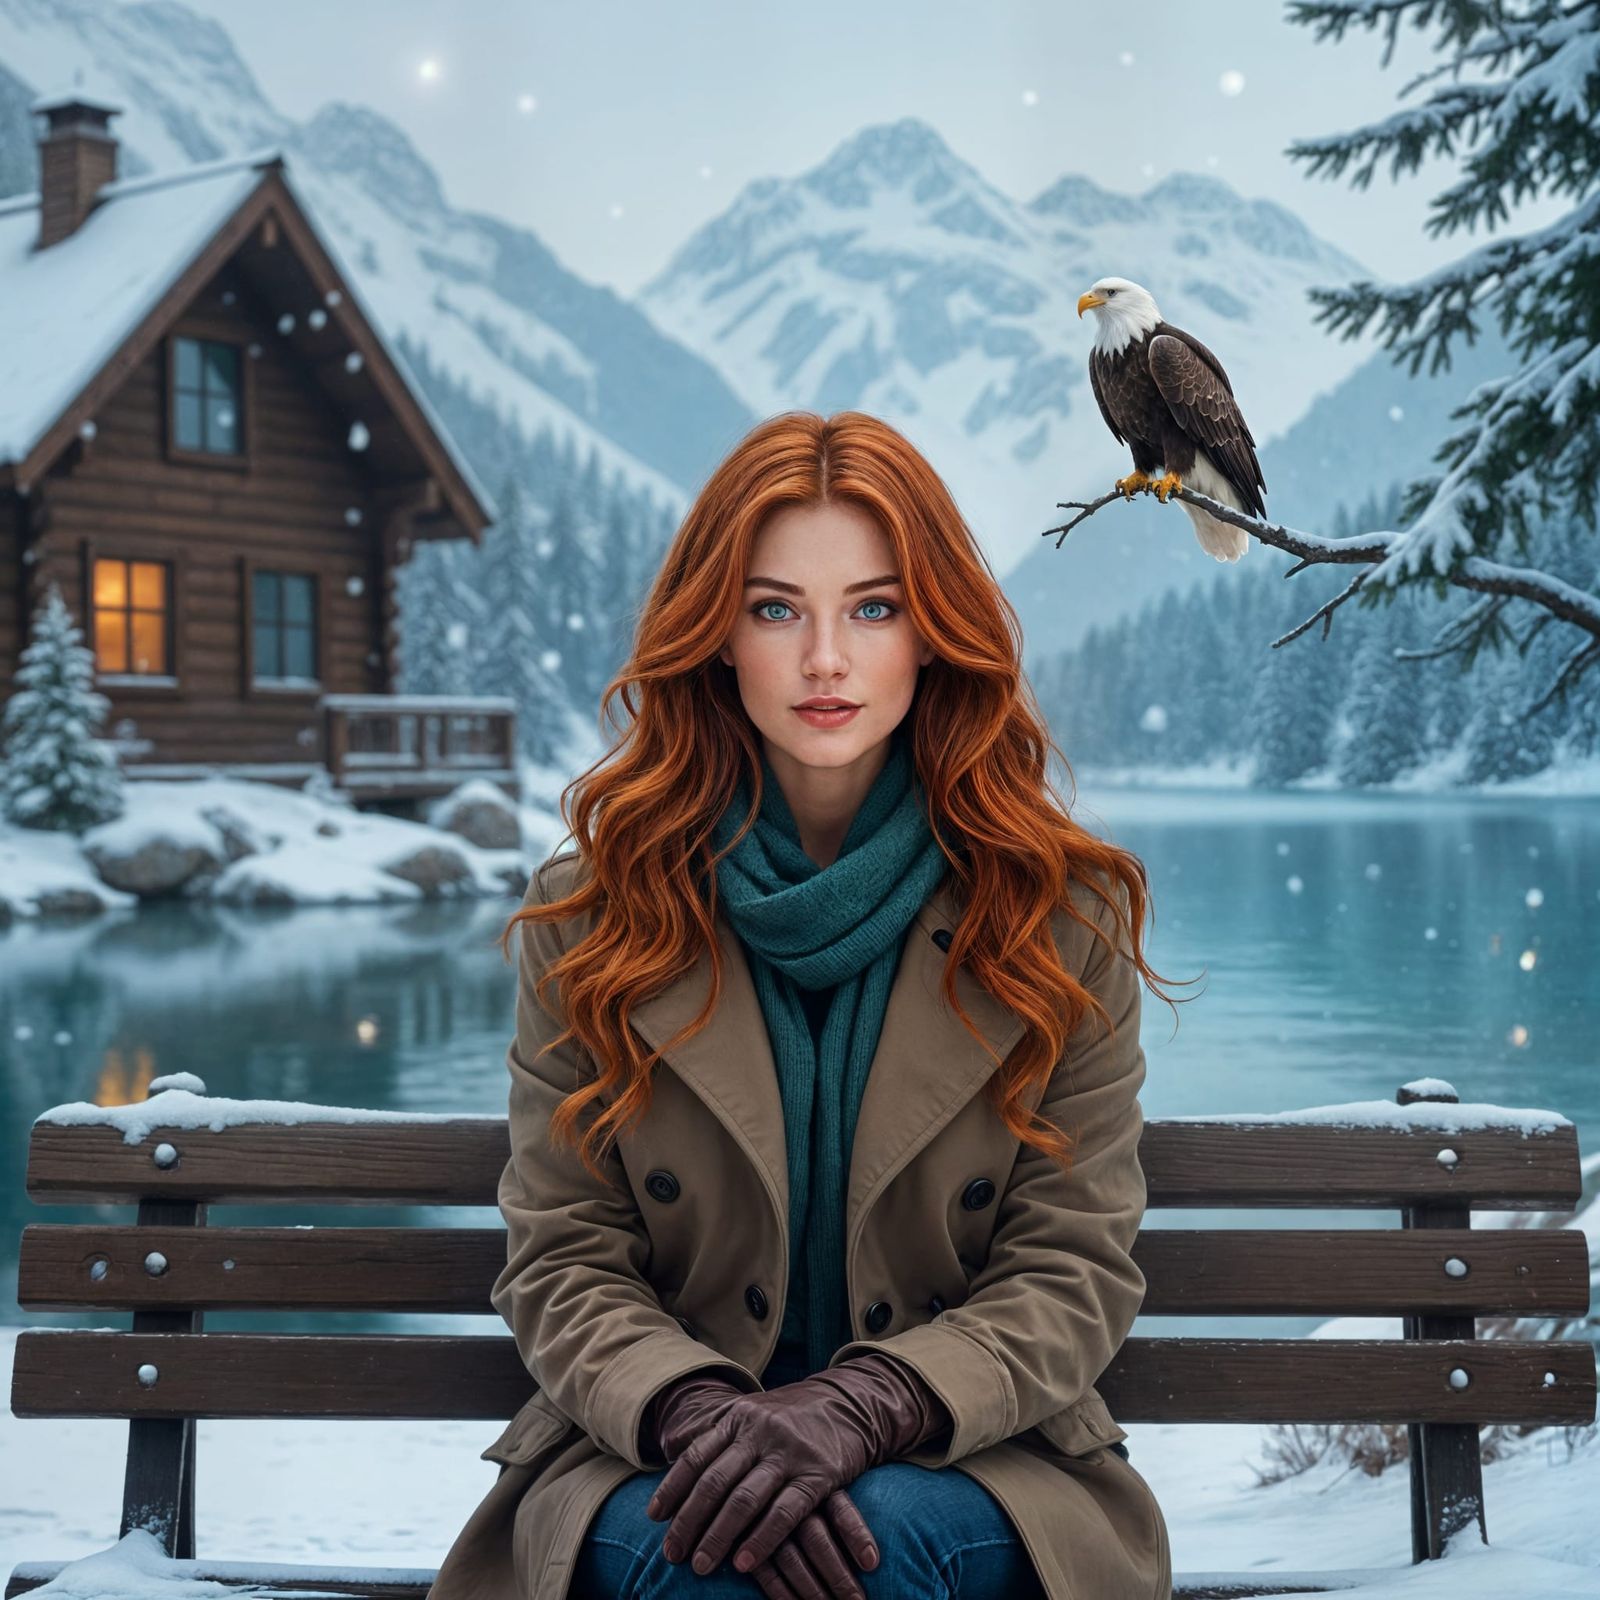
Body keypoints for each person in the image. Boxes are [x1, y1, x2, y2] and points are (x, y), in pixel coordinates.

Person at [425, 410, 1183, 1600]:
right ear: (715, 633)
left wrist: (869, 1401)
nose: (824, 659)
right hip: (652, 1451)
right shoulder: (596, 910)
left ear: (934, 633)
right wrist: (698, 1412)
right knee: (718, 1547)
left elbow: (1073, 1267)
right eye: (776, 607)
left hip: (974, 1456)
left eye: (873, 608)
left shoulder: (1053, 913)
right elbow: (563, 1252)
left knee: (869, 1537)